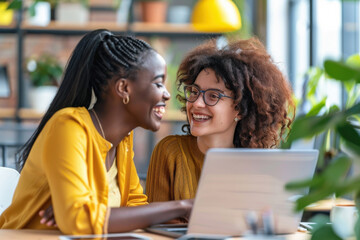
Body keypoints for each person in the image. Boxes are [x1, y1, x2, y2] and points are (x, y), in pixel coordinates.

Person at [0, 29, 192, 234]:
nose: (167, 94)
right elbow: (79, 220)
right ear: (124, 89)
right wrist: (181, 206)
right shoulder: (68, 127)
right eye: (158, 83)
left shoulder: (123, 142)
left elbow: (134, 206)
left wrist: (93, 213)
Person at [146, 37, 295, 203]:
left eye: (213, 96)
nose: (196, 103)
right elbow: (154, 224)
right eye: (194, 92)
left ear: (239, 109)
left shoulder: (258, 165)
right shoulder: (170, 152)